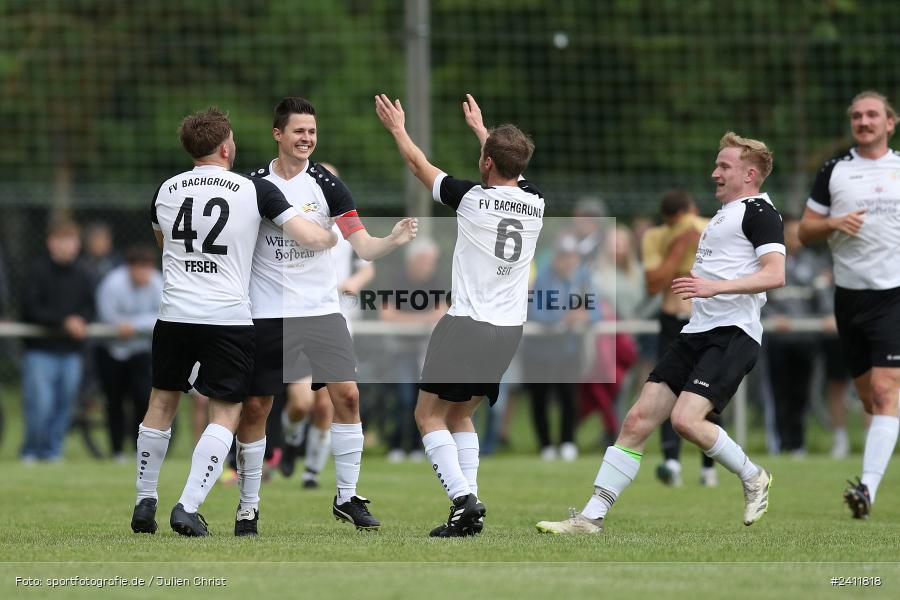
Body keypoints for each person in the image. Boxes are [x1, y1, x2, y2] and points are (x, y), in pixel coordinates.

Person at [536, 131, 784, 534]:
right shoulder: (725, 213)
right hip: (696, 331)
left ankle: (754, 475)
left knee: (686, 421)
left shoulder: (759, 212)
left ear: (750, 173)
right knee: (635, 421)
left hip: (732, 334)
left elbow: (776, 274)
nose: (714, 173)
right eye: (716, 164)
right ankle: (590, 519)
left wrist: (712, 287)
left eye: (724, 166)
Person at [130, 106, 337, 537]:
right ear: (226, 146)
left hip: (175, 312)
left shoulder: (166, 189)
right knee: (226, 411)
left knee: (161, 402)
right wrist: (332, 234)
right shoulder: (253, 189)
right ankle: (187, 506)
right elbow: (308, 236)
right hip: (228, 316)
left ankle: (144, 500)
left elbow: (162, 241)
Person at [243, 97, 417, 533]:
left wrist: (392, 240)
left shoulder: (327, 185)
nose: (307, 139)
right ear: (277, 134)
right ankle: (247, 506)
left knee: (349, 398)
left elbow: (363, 247)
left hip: (322, 311)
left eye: (313, 132)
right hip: (267, 313)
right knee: (258, 406)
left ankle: (347, 497)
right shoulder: (252, 186)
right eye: (299, 131)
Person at [376, 92, 544, 536]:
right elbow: (512, 171)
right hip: (508, 330)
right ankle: (470, 510)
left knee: (427, 416)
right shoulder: (536, 203)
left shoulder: (472, 199)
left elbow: (418, 165)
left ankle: (461, 499)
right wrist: (485, 136)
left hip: (467, 323)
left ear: (487, 162)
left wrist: (397, 128)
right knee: (461, 415)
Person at [798, 90, 900, 519]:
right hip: (849, 297)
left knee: (884, 389)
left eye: (872, 114)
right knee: (869, 399)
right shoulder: (834, 171)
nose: (864, 121)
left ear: (890, 122)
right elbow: (804, 232)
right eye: (856, 115)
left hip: (894, 293)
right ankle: (872, 472)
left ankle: (867, 488)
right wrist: (834, 223)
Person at [279, 161, 376, 489]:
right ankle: (292, 439)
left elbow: (367, 266)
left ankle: (312, 473)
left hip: (338, 320)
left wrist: (354, 282)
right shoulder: (297, 220)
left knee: (329, 402)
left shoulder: (347, 225)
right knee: (301, 403)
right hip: (301, 318)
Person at [641, 190, 722, 487]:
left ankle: (708, 467)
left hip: (705, 319)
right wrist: (678, 249)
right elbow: (652, 284)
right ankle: (671, 462)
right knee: (666, 390)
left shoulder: (711, 227)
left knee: (707, 393)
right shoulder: (656, 236)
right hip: (671, 320)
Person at [20, 219, 94, 463]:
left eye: (72, 241)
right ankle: (32, 450)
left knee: (64, 404)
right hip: (40, 351)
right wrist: (63, 322)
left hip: (71, 352)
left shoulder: (83, 273)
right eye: (62, 240)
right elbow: (30, 308)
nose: (67, 246)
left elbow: (89, 306)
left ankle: (53, 451)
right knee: (40, 404)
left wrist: (81, 320)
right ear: (51, 243)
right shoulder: (36, 270)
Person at [525, 234, 596, 461]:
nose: (569, 261)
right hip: (538, 351)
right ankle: (545, 444)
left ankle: (567, 441)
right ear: (556, 258)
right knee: (540, 398)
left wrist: (585, 315)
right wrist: (565, 316)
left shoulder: (583, 277)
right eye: (564, 256)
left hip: (567, 350)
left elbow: (596, 310)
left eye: (572, 256)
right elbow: (534, 311)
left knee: (568, 396)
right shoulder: (541, 277)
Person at [380, 237, 447, 463]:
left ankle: (420, 446)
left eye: (432, 261)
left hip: (427, 351)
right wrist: (420, 319)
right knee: (404, 396)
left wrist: (410, 319)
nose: (429, 265)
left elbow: (442, 313)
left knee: (424, 398)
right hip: (400, 349)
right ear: (413, 261)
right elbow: (387, 314)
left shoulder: (436, 280)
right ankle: (397, 444)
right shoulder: (397, 279)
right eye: (425, 260)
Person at [95, 245, 162, 461]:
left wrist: (132, 326)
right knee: (114, 401)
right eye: (139, 268)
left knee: (142, 399)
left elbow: (162, 315)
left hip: (139, 351)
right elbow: (107, 318)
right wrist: (132, 326)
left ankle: (137, 449)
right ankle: (117, 451)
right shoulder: (112, 284)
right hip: (110, 351)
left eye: (147, 268)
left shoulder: (157, 283)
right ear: (129, 268)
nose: (144, 273)